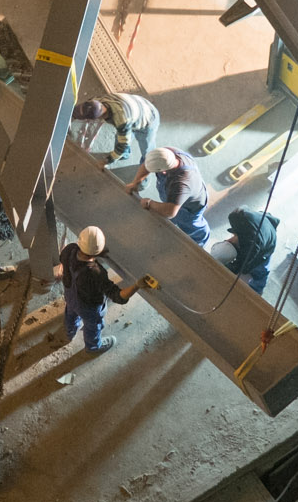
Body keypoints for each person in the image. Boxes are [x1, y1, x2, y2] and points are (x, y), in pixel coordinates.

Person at [59, 226, 145, 354]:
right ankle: (93, 347)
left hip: (70, 296)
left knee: (71, 313)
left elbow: (63, 260)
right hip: (88, 308)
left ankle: (70, 331)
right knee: (93, 326)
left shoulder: (69, 249)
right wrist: (137, 285)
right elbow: (118, 296)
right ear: (97, 252)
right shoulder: (96, 273)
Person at [126, 147, 210, 244]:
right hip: (175, 197)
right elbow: (146, 164)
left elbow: (170, 211)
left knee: (190, 224)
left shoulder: (182, 183)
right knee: (169, 214)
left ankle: (200, 241)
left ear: (163, 171)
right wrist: (135, 183)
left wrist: (149, 203)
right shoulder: (165, 153)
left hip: (189, 208)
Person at [72, 93, 159, 166]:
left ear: (97, 118)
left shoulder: (121, 120)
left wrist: (106, 161)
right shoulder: (95, 102)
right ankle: (124, 155)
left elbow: (122, 146)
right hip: (137, 105)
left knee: (147, 151)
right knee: (120, 137)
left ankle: (146, 172)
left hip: (148, 118)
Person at [223, 208, 280, 294]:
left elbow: (245, 263)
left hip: (266, 248)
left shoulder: (253, 242)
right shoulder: (242, 214)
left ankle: (257, 290)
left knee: (260, 270)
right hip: (265, 227)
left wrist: (233, 267)